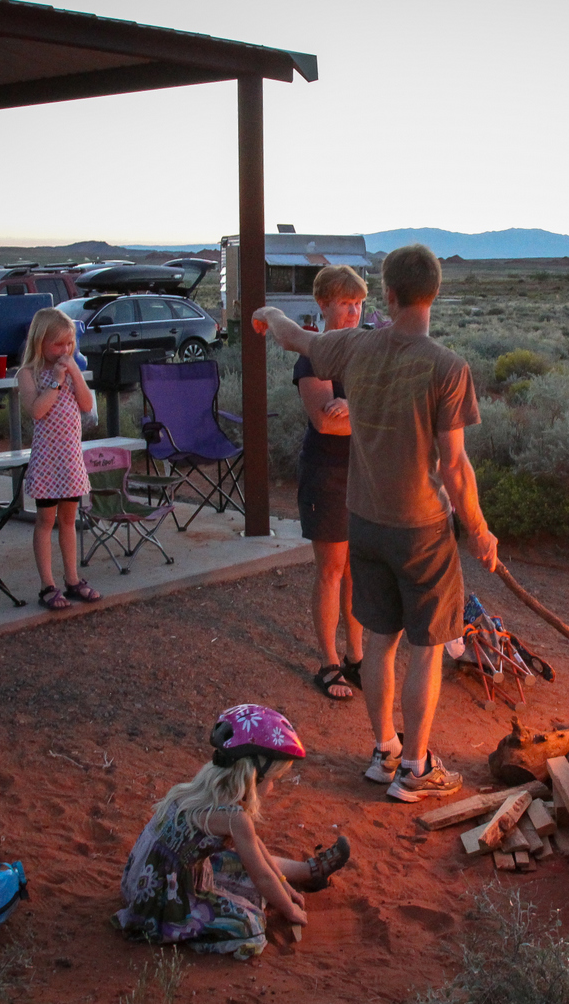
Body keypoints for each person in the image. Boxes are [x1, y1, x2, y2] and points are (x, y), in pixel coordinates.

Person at [253, 244, 499, 802]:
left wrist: (270, 316)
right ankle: (414, 768)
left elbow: (299, 339)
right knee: (429, 647)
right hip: (422, 528)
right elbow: (455, 466)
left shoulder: (355, 348)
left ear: (386, 294)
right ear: (433, 294)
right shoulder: (447, 367)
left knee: (381, 644)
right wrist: (479, 529)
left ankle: (384, 750)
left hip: (363, 519)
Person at [112, 704, 351, 957]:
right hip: (157, 901)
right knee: (250, 924)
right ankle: (185, 928)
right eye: (273, 780)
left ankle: (307, 873)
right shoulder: (234, 818)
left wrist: (286, 887)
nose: (273, 788)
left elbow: (256, 848)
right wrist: (290, 911)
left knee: (241, 865)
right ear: (254, 776)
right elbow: (262, 876)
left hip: (141, 880)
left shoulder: (203, 789)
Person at [295, 266, 367, 700]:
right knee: (332, 570)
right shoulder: (315, 354)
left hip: (363, 474)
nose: (355, 311)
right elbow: (324, 421)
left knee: (358, 570)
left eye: (359, 303)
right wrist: (365, 414)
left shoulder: (365, 351)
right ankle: (328, 661)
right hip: (327, 474)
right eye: (346, 303)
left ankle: (356, 656)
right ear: (324, 305)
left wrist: (353, 408)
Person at [16, 308, 100, 611]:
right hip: (47, 460)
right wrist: (54, 380)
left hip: (70, 459)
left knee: (69, 520)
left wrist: (75, 373)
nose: (64, 351)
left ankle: (73, 578)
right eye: (57, 345)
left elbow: (88, 405)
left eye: (69, 344)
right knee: (45, 520)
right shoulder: (28, 374)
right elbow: (37, 410)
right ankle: (47, 584)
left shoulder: (70, 370)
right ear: (40, 343)